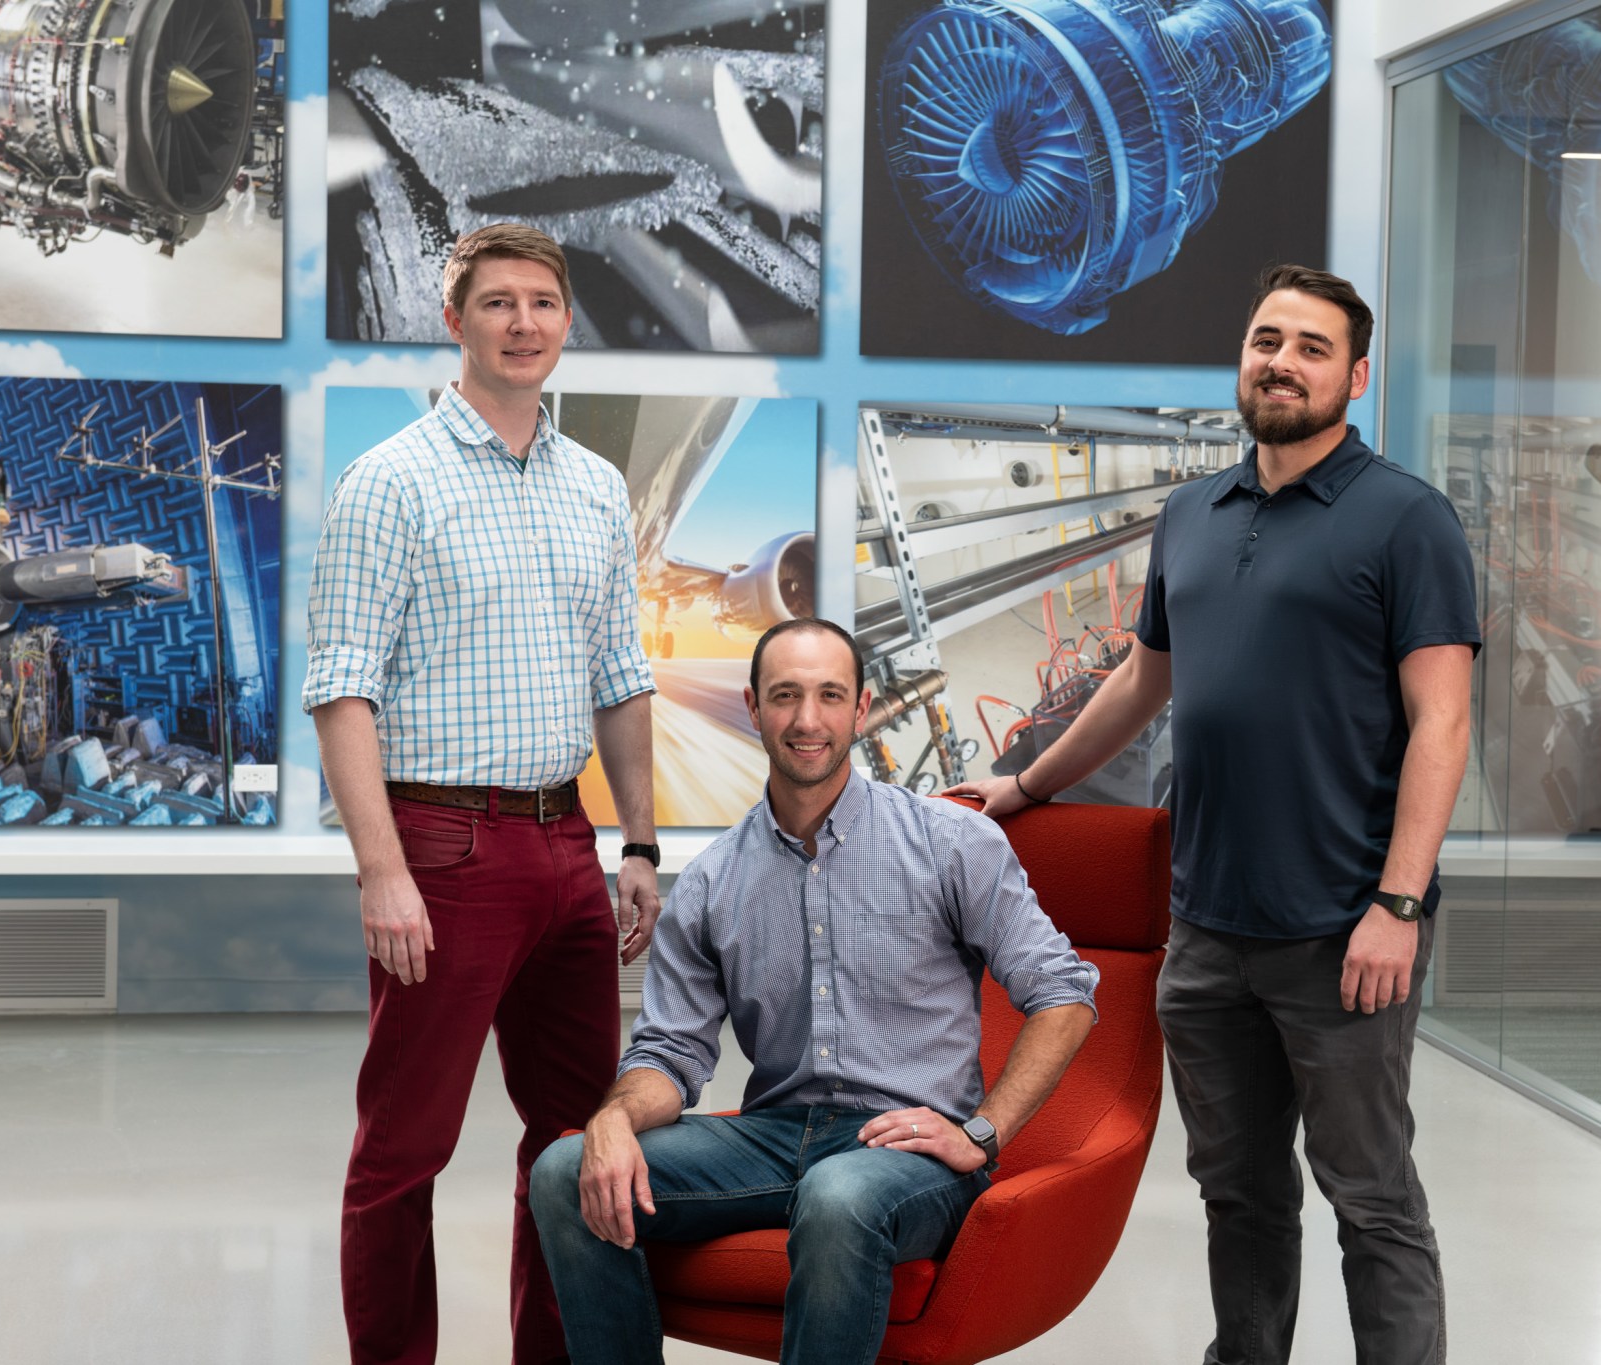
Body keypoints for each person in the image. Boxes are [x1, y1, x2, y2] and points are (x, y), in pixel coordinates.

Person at [950, 264, 1479, 1365]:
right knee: (1237, 1196)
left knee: (1370, 1198)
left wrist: (1397, 902)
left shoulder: (1405, 521)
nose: (1280, 361)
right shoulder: (1192, 514)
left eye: (1310, 347)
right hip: (1206, 933)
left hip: (1341, 931)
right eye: (1264, 338)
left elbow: (1441, 724)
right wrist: (1030, 785)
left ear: (1355, 376)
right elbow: (1142, 681)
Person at [529, 618, 1099, 1365]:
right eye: (786, 696)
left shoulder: (950, 841)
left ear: (861, 710)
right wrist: (612, 1119)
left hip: (909, 1152)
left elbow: (1065, 994)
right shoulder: (711, 880)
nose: (807, 719)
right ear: (753, 707)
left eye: (830, 695)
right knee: (563, 1170)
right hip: (773, 1136)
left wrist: (981, 1132)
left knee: (838, 1195)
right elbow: (670, 1051)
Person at [304, 222, 663, 1365]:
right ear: (453, 319)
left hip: (567, 842)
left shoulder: (596, 487)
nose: (522, 324)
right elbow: (341, 690)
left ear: (566, 323)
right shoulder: (389, 483)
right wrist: (382, 873)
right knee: (402, 1150)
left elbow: (622, 678)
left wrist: (640, 845)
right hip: (442, 852)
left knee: (570, 1145)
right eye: (497, 303)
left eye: (543, 304)